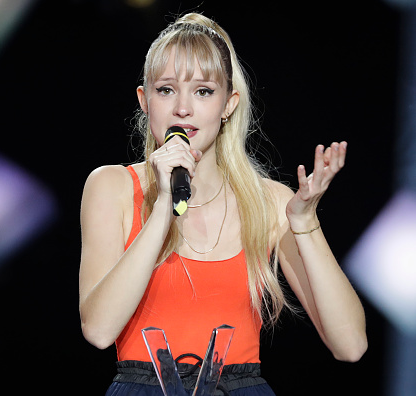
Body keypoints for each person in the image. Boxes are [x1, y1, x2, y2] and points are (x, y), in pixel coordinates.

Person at [79, 12, 367, 396]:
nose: (183, 108)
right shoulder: (111, 186)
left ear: (228, 103)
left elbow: (351, 345)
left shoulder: (269, 203)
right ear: (144, 100)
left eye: (202, 91)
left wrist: (304, 221)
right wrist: (164, 204)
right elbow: (98, 330)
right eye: (166, 90)